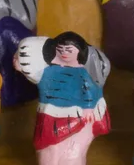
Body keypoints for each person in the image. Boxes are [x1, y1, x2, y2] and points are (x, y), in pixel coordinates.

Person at [16, 33, 111, 165]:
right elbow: (39, 80)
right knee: (48, 149)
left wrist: (88, 108)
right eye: (60, 50)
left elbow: (88, 90)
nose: (64, 53)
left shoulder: (82, 72)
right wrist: (22, 68)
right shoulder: (49, 70)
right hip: (50, 113)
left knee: (72, 151)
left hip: (75, 115)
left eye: (69, 50)